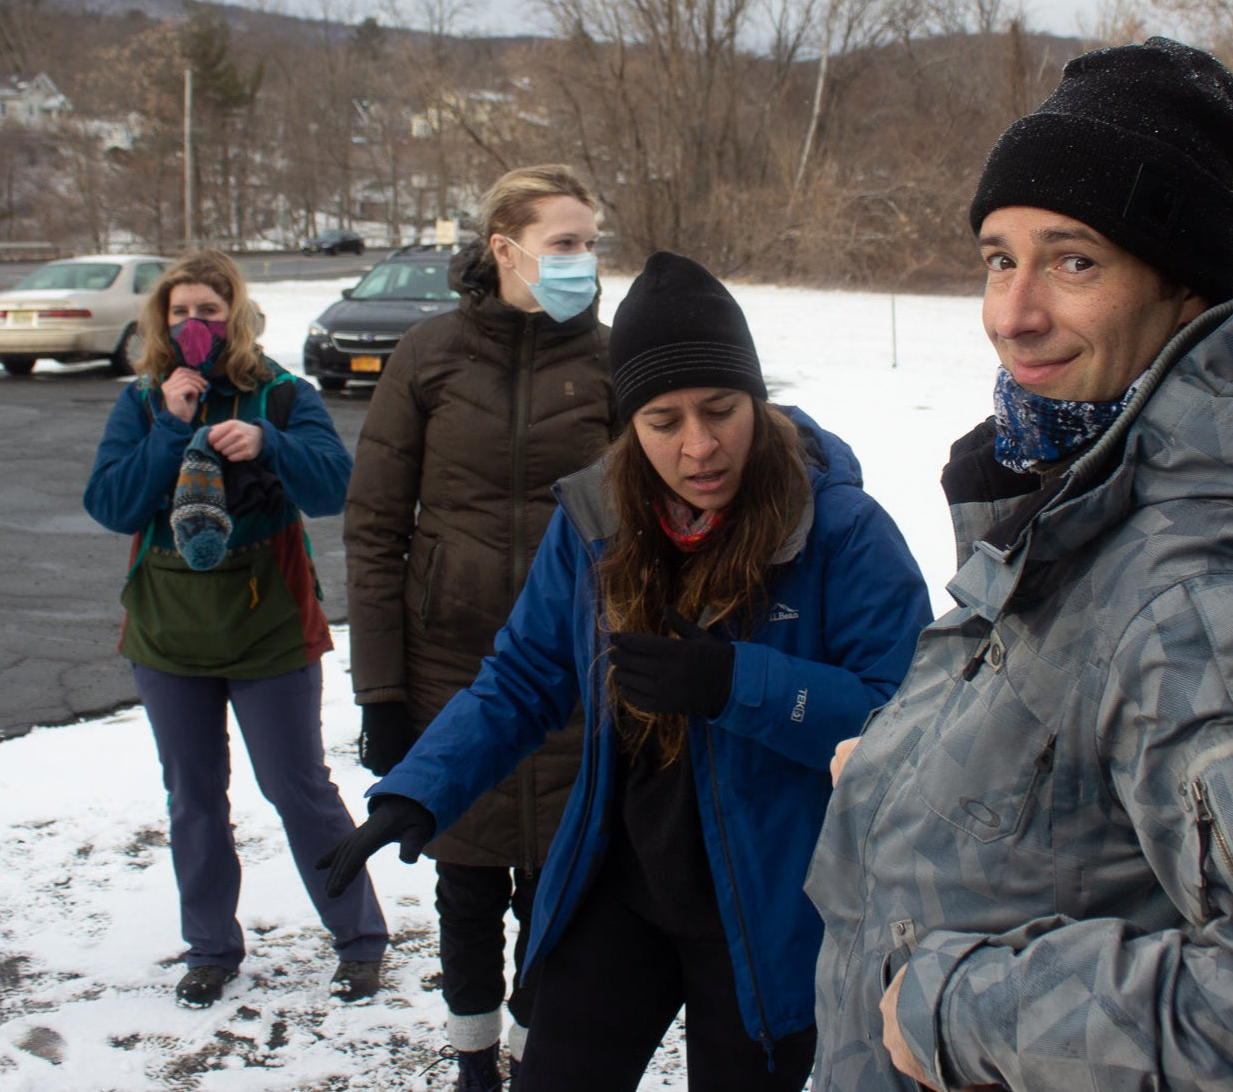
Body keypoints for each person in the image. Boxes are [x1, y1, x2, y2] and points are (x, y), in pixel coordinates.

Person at [805, 37, 1233, 1090]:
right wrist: (911, 767)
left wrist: (963, 1012)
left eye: (1074, 259)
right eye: (1000, 257)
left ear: (1183, 289)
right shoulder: (1085, 487)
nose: (1014, 311)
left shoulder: (1197, 595)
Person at [320, 251, 931, 1091]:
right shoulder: (596, 522)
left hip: (771, 907)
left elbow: (908, 722)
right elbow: (526, 673)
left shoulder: (841, 531)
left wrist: (733, 683)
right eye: (663, 420)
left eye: (721, 410)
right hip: (622, 885)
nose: (699, 445)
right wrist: (421, 785)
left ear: (755, 398)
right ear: (627, 426)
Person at [343, 164, 617, 1088]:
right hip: (446, 669)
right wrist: (379, 690)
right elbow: (375, 527)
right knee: (463, 883)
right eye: (565, 243)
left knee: (557, 886)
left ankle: (534, 1053)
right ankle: (472, 1062)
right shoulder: (428, 356)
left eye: (590, 242)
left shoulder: (613, 361)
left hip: (574, 672)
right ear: (504, 249)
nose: (585, 261)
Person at [83, 249, 388, 1010]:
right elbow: (111, 504)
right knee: (193, 794)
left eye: (209, 313)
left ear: (236, 316)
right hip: (166, 630)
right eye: (181, 312)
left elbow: (336, 485)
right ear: (163, 319)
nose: (195, 325)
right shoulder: (144, 399)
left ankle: (359, 938)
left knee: (299, 787)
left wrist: (269, 444)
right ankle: (211, 946)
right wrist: (170, 425)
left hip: (269, 625)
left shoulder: (282, 394)